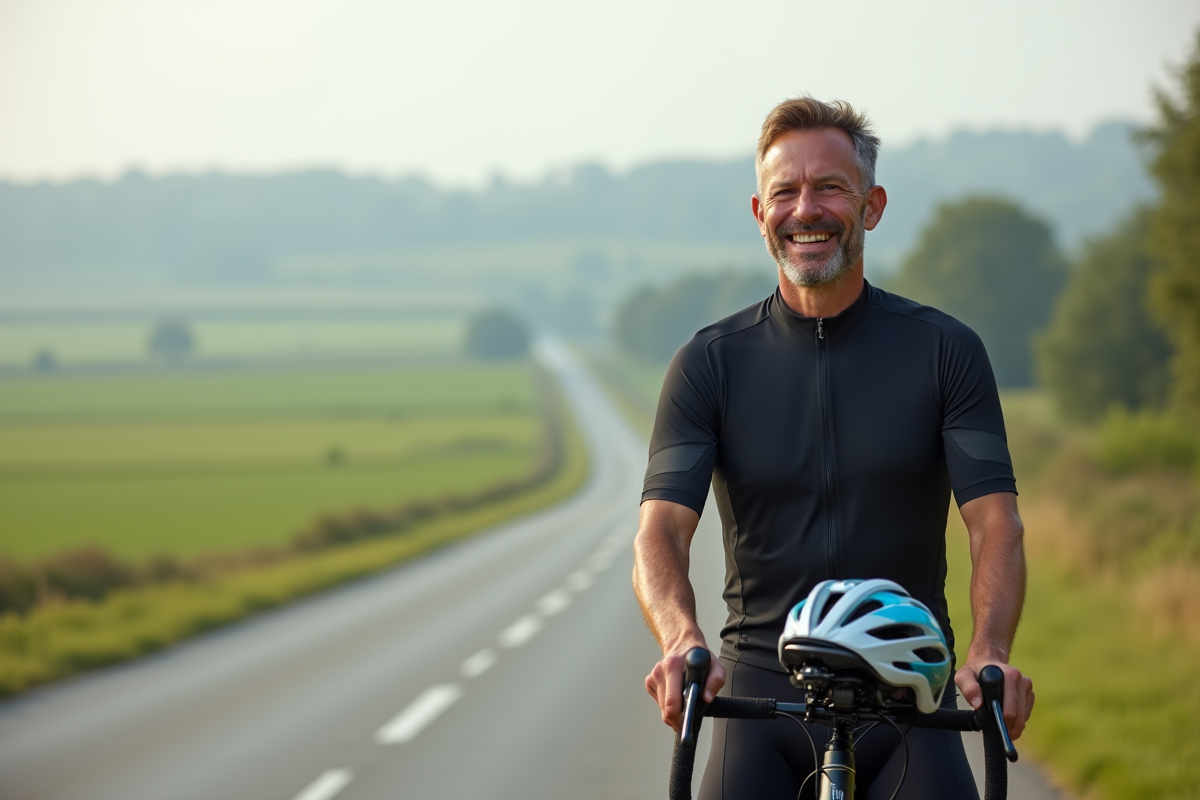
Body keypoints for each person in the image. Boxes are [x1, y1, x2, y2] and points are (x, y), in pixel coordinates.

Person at [632, 97, 1035, 799]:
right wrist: (680, 640)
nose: (805, 210)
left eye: (829, 188)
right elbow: (660, 529)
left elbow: (995, 522)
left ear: (871, 206)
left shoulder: (946, 353)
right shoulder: (708, 364)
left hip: (912, 699)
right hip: (761, 700)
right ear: (760, 213)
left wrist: (989, 652)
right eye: (784, 191)